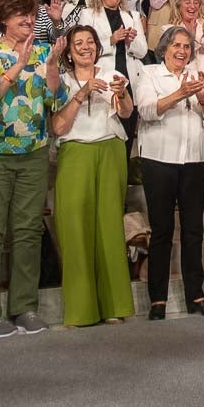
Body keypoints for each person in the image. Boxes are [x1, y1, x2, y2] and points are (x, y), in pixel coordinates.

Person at [0, 0, 66, 339]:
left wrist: (51, 67)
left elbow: (55, 100)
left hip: (34, 151)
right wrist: (18, 67)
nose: (27, 19)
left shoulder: (42, 51)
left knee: (27, 231)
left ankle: (25, 307)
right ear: (4, 18)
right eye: (20, 14)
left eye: (31, 14)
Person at [50, 26, 136, 327]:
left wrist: (122, 93)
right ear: (69, 53)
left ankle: (114, 305)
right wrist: (81, 93)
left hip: (110, 149)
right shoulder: (61, 81)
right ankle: (80, 310)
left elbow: (126, 113)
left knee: (110, 230)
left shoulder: (112, 73)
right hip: (76, 153)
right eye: (78, 43)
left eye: (90, 42)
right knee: (75, 229)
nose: (85, 47)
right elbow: (58, 128)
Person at [135, 26, 204, 320]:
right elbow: (146, 110)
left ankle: (196, 295)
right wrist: (179, 93)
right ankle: (158, 300)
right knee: (162, 231)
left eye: (186, 47)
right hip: (159, 158)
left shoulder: (194, 75)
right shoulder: (150, 73)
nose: (182, 51)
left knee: (194, 230)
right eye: (177, 46)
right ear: (165, 48)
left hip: (192, 159)